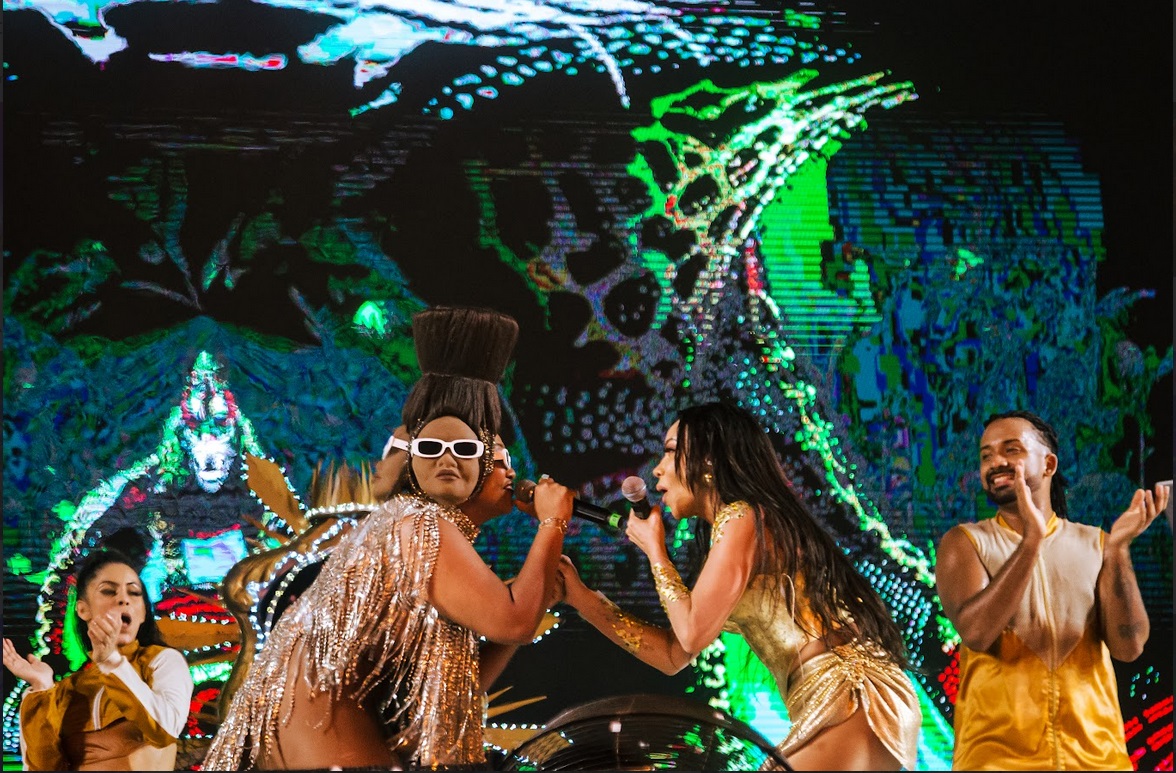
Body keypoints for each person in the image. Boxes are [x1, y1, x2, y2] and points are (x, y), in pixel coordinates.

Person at [204, 307, 574, 770]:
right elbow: (513, 621)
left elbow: (455, 689)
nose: (512, 473)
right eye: (497, 457)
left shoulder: (418, 528)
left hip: (308, 735)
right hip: (323, 736)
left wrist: (537, 597)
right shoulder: (420, 523)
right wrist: (553, 523)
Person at [557, 401, 921, 771]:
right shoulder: (741, 526)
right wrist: (581, 598)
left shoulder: (743, 515)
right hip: (846, 698)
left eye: (670, 450)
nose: (657, 469)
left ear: (708, 461)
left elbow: (690, 633)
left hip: (847, 695)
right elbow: (672, 654)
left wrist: (655, 551)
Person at [934, 409, 1169, 771]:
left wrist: (1118, 551)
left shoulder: (1096, 544)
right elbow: (977, 633)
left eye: (1011, 449)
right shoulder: (964, 543)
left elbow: (1129, 646)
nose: (995, 462)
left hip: (1099, 761)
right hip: (997, 762)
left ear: (1048, 464)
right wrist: (1031, 541)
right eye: (986, 455)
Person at [3, 549, 194, 771]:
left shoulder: (162, 661)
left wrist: (112, 662)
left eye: (134, 593)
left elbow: (165, 729)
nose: (123, 599)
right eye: (108, 591)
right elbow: (42, 767)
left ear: (143, 612)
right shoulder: (68, 690)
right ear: (83, 609)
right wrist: (41, 687)